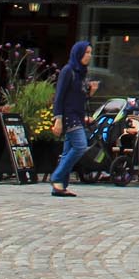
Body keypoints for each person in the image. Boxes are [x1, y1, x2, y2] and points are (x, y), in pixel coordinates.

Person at [49, 40, 96, 197]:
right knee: (80, 146)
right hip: (69, 116)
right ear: (78, 53)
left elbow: (80, 97)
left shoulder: (82, 73)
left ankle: (60, 185)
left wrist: (91, 92)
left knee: (68, 150)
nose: (89, 55)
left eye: (90, 52)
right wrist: (58, 119)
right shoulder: (68, 71)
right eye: (86, 52)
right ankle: (56, 176)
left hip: (79, 115)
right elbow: (59, 96)